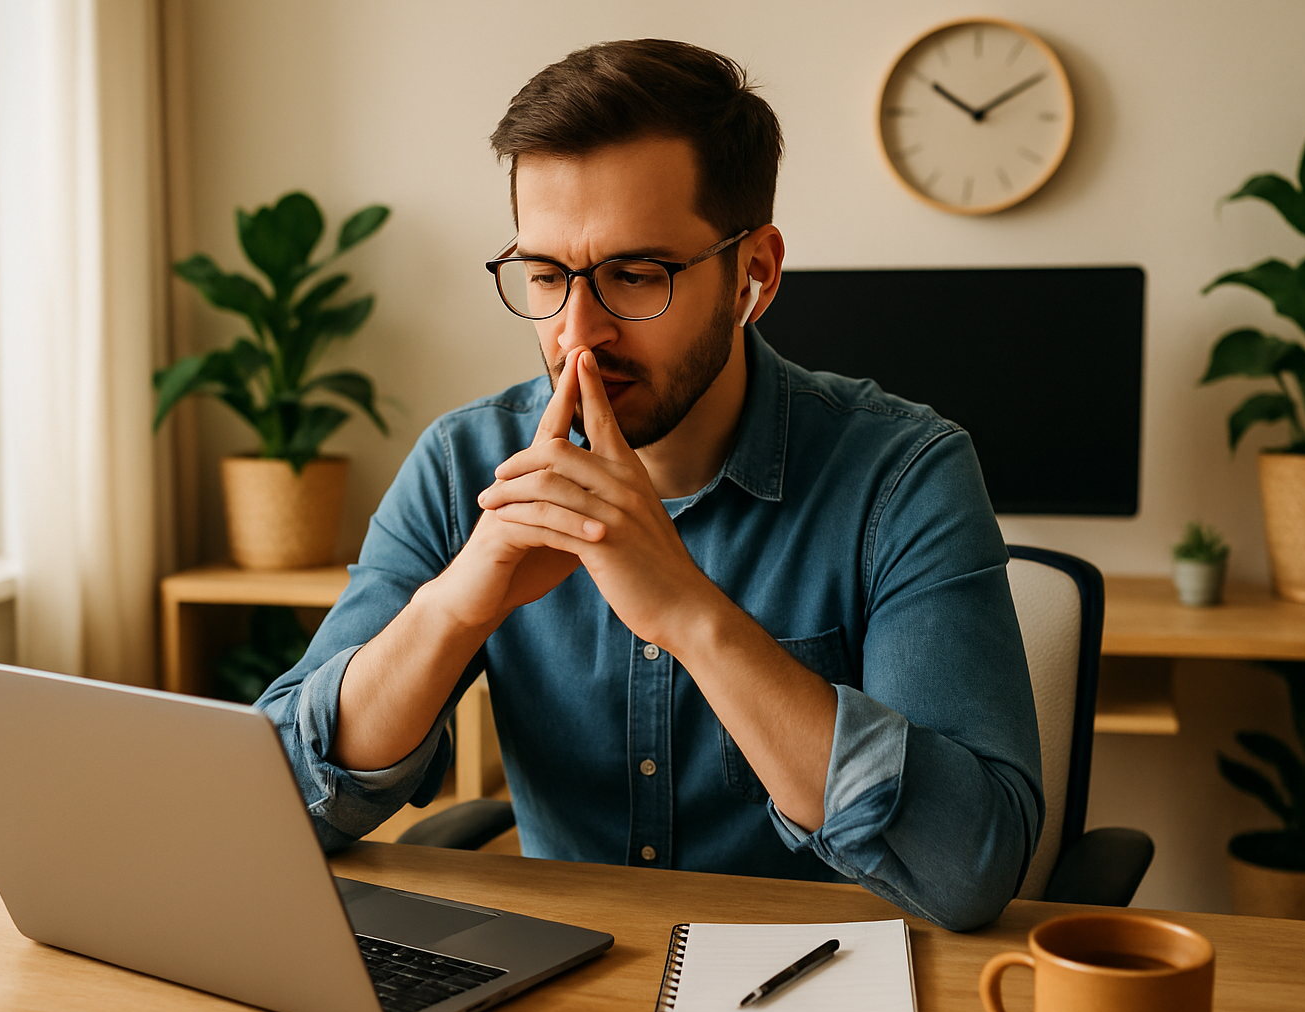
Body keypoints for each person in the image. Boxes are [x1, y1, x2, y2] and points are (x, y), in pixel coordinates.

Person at [258, 38, 1042, 932]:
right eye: (547, 277)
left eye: (636, 276)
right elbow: (271, 803)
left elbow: (971, 866)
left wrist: (690, 616)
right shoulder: (462, 467)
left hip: (813, 982)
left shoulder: (905, 474)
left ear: (756, 272)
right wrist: (451, 611)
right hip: (568, 981)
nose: (577, 332)